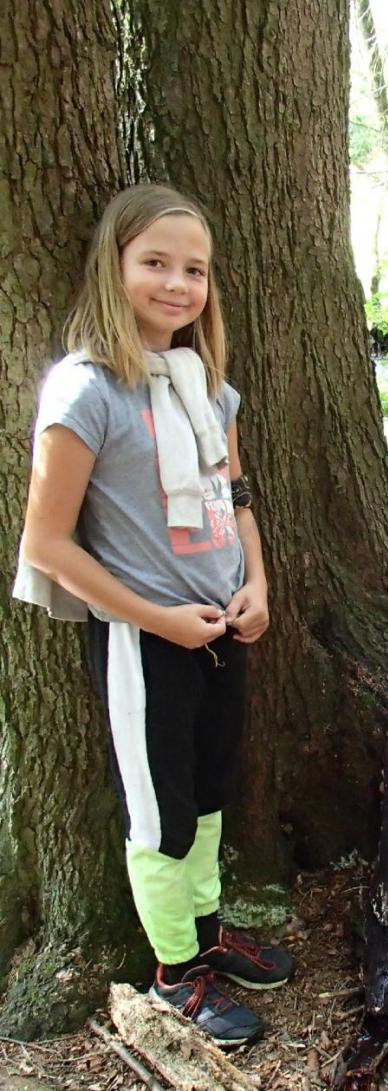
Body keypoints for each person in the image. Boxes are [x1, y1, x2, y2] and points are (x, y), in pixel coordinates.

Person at [15, 184, 294, 1047]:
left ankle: (208, 936)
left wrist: (257, 582)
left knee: (210, 794)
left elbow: (234, 496)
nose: (177, 284)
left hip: (220, 627)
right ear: (115, 267)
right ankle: (178, 974)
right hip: (146, 640)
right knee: (161, 812)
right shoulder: (86, 389)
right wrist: (155, 619)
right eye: (156, 264)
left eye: (195, 270)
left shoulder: (209, 385)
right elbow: (45, 543)